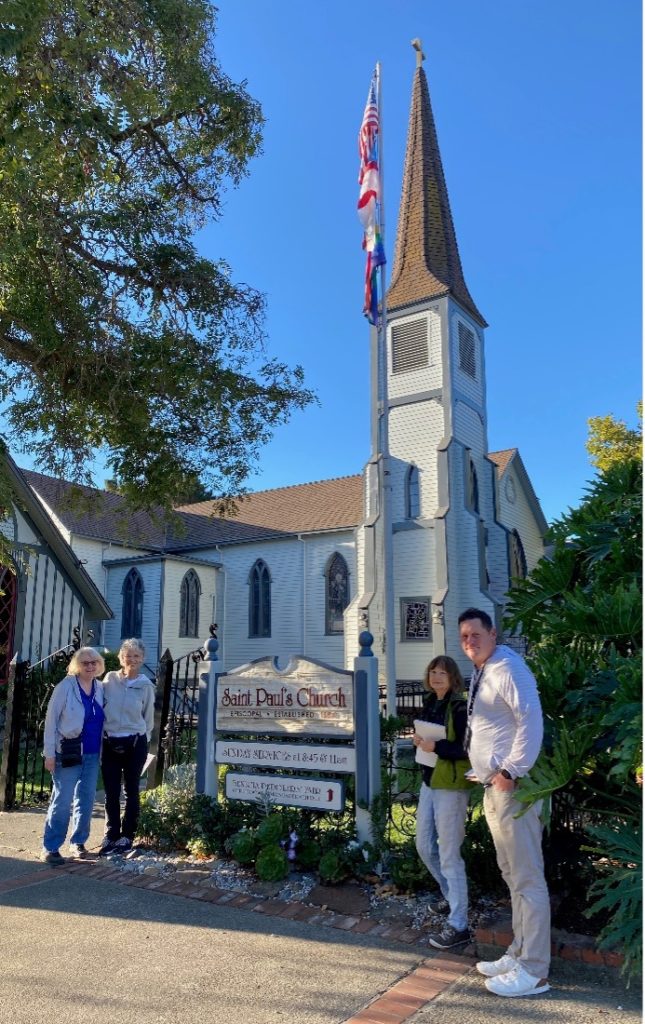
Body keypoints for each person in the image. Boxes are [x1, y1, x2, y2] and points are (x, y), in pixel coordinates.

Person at [458, 607, 550, 998]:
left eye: (475, 634)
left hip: (515, 791)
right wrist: (485, 769)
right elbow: (495, 726)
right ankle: (519, 951)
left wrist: (510, 771)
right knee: (513, 875)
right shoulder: (486, 669)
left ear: (492, 633)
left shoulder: (508, 668)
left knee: (528, 879)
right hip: (494, 788)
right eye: (463, 637)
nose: (469, 642)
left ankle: (535, 971)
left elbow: (531, 720)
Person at [413, 655, 473, 949]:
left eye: (442, 673)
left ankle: (458, 923)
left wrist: (435, 746)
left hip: (449, 785)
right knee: (423, 845)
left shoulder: (459, 707)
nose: (436, 677)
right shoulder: (430, 702)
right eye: (433, 671)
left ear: (453, 678)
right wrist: (420, 741)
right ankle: (452, 896)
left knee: (449, 853)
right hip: (429, 781)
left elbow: (465, 747)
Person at [41, 647, 106, 864]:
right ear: (77, 665)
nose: (90, 666)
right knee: (62, 800)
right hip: (67, 752)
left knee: (86, 800)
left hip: (92, 754)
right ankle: (50, 847)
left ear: (99, 665)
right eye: (85, 663)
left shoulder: (100, 687)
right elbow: (50, 722)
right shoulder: (65, 687)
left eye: (93, 662)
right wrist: (49, 754)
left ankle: (78, 842)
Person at [99, 638, 155, 855]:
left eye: (136, 656)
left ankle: (127, 835)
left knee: (131, 790)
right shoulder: (109, 679)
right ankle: (111, 834)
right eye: (127, 655)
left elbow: (148, 718)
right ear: (121, 658)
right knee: (111, 791)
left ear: (142, 659)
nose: (131, 659)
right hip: (110, 741)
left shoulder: (146, 685)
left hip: (134, 742)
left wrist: (142, 738)